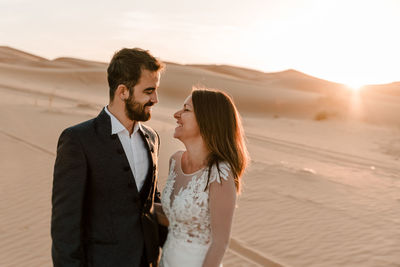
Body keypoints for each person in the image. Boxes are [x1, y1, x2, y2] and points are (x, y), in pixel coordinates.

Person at [51, 48, 166, 267]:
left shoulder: (152, 138)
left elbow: (150, 200)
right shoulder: (79, 139)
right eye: (149, 91)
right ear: (123, 91)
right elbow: (65, 224)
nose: (155, 99)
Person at [156, 88, 249, 267]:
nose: (177, 114)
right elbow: (175, 213)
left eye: (186, 110)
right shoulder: (175, 161)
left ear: (207, 120)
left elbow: (220, 243)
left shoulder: (219, 173)